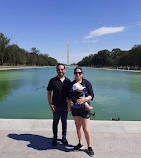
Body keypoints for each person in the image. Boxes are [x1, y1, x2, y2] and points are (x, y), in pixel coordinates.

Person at [67, 66, 94, 157]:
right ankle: (80, 143)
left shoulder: (86, 83)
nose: (78, 75)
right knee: (78, 126)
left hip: (84, 109)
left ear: (82, 74)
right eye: (76, 73)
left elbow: (92, 95)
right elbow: (68, 96)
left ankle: (89, 147)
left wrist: (85, 99)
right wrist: (69, 102)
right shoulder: (72, 84)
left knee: (86, 128)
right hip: (75, 109)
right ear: (74, 74)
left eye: (79, 73)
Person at [47, 63, 71, 146]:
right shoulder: (52, 80)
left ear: (64, 70)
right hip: (55, 106)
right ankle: (55, 138)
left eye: (62, 69)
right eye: (58, 69)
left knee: (64, 122)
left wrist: (69, 105)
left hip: (65, 106)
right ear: (56, 70)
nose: (60, 71)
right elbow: (49, 93)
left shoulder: (68, 81)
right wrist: (50, 104)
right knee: (55, 122)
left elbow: (70, 95)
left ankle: (64, 137)